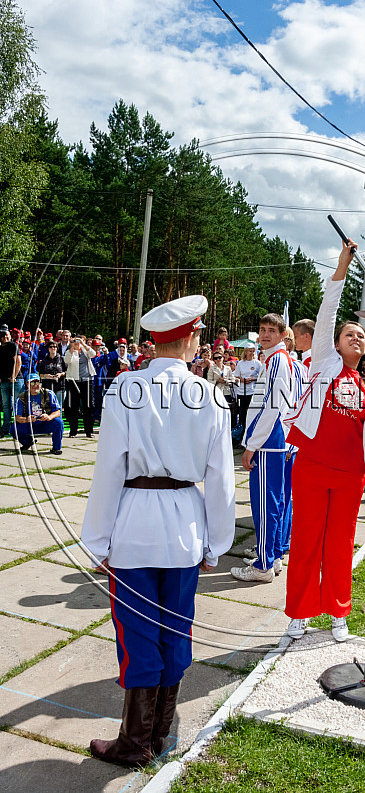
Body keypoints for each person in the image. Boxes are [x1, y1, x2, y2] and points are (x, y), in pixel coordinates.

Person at [81, 295, 235, 767]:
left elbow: (109, 467)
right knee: (176, 626)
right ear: (190, 337)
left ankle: (135, 742)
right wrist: (217, 541)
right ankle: (161, 732)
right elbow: (221, 478)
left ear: (154, 340)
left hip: (135, 521)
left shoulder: (125, 388)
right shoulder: (210, 395)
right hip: (186, 522)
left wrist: (98, 539)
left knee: (136, 632)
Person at [283, 240, 365, 642]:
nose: (357, 338)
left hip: (351, 473)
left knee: (340, 544)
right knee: (305, 541)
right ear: (334, 342)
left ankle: (338, 613)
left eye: (362, 336)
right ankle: (300, 612)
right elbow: (327, 313)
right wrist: (341, 267)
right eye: (349, 333)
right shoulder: (324, 361)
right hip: (313, 466)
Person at [232, 313, 296, 584]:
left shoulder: (277, 361)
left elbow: (269, 407)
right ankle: (272, 556)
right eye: (262, 329)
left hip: (269, 440)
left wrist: (250, 445)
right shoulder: (278, 360)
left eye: (272, 330)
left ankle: (263, 565)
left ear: (283, 335)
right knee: (275, 501)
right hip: (276, 439)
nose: (266, 334)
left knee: (264, 503)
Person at [11, 373, 63, 454]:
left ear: (40, 384)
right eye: (32, 383)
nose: (35, 385)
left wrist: (49, 417)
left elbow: (58, 412)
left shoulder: (49, 394)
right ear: (27, 384)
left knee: (58, 422)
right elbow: (17, 417)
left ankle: (56, 448)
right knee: (13, 428)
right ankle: (28, 442)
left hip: (45, 423)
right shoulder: (21, 398)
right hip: (30, 424)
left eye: (37, 383)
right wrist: (27, 419)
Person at [64, 335, 96, 437]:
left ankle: (89, 431)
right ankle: (73, 431)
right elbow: (67, 360)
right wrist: (72, 347)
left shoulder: (85, 350)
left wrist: (83, 344)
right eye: (75, 341)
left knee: (88, 406)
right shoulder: (70, 351)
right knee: (74, 406)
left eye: (79, 341)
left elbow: (93, 354)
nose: (77, 343)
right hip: (74, 381)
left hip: (87, 381)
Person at [233, 346, 261, 429]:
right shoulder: (240, 363)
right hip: (241, 392)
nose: (252, 353)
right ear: (245, 352)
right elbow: (236, 376)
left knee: (251, 413)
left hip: (252, 392)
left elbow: (262, 376)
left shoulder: (257, 363)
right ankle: (242, 433)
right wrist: (242, 380)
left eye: (253, 351)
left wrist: (253, 379)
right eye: (250, 351)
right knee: (242, 414)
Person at [37, 341, 67, 411]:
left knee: (58, 406)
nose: (53, 348)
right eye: (51, 347)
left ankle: (58, 421)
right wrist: (47, 375)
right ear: (48, 348)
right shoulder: (44, 360)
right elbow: (40, 374)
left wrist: (60, 374)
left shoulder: (62, 359)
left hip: (60, 385)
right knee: (48, 407)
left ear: (57, 348)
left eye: (55, 346)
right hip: (47, 386)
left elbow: (67, 372)